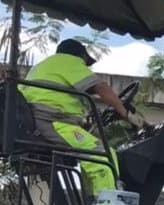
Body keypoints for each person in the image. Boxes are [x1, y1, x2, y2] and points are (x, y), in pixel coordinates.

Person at [19, 39, 139, 196]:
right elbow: (101, 88)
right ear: (80, 56)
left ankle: (94, 200)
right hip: (50, 121)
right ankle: (109, 204)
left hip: (38, 121)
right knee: (102, 155)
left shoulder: (41, 67)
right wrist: (126, 113)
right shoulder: (68, 61)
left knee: (89, 156)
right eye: (84, 62)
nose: (84, 67)